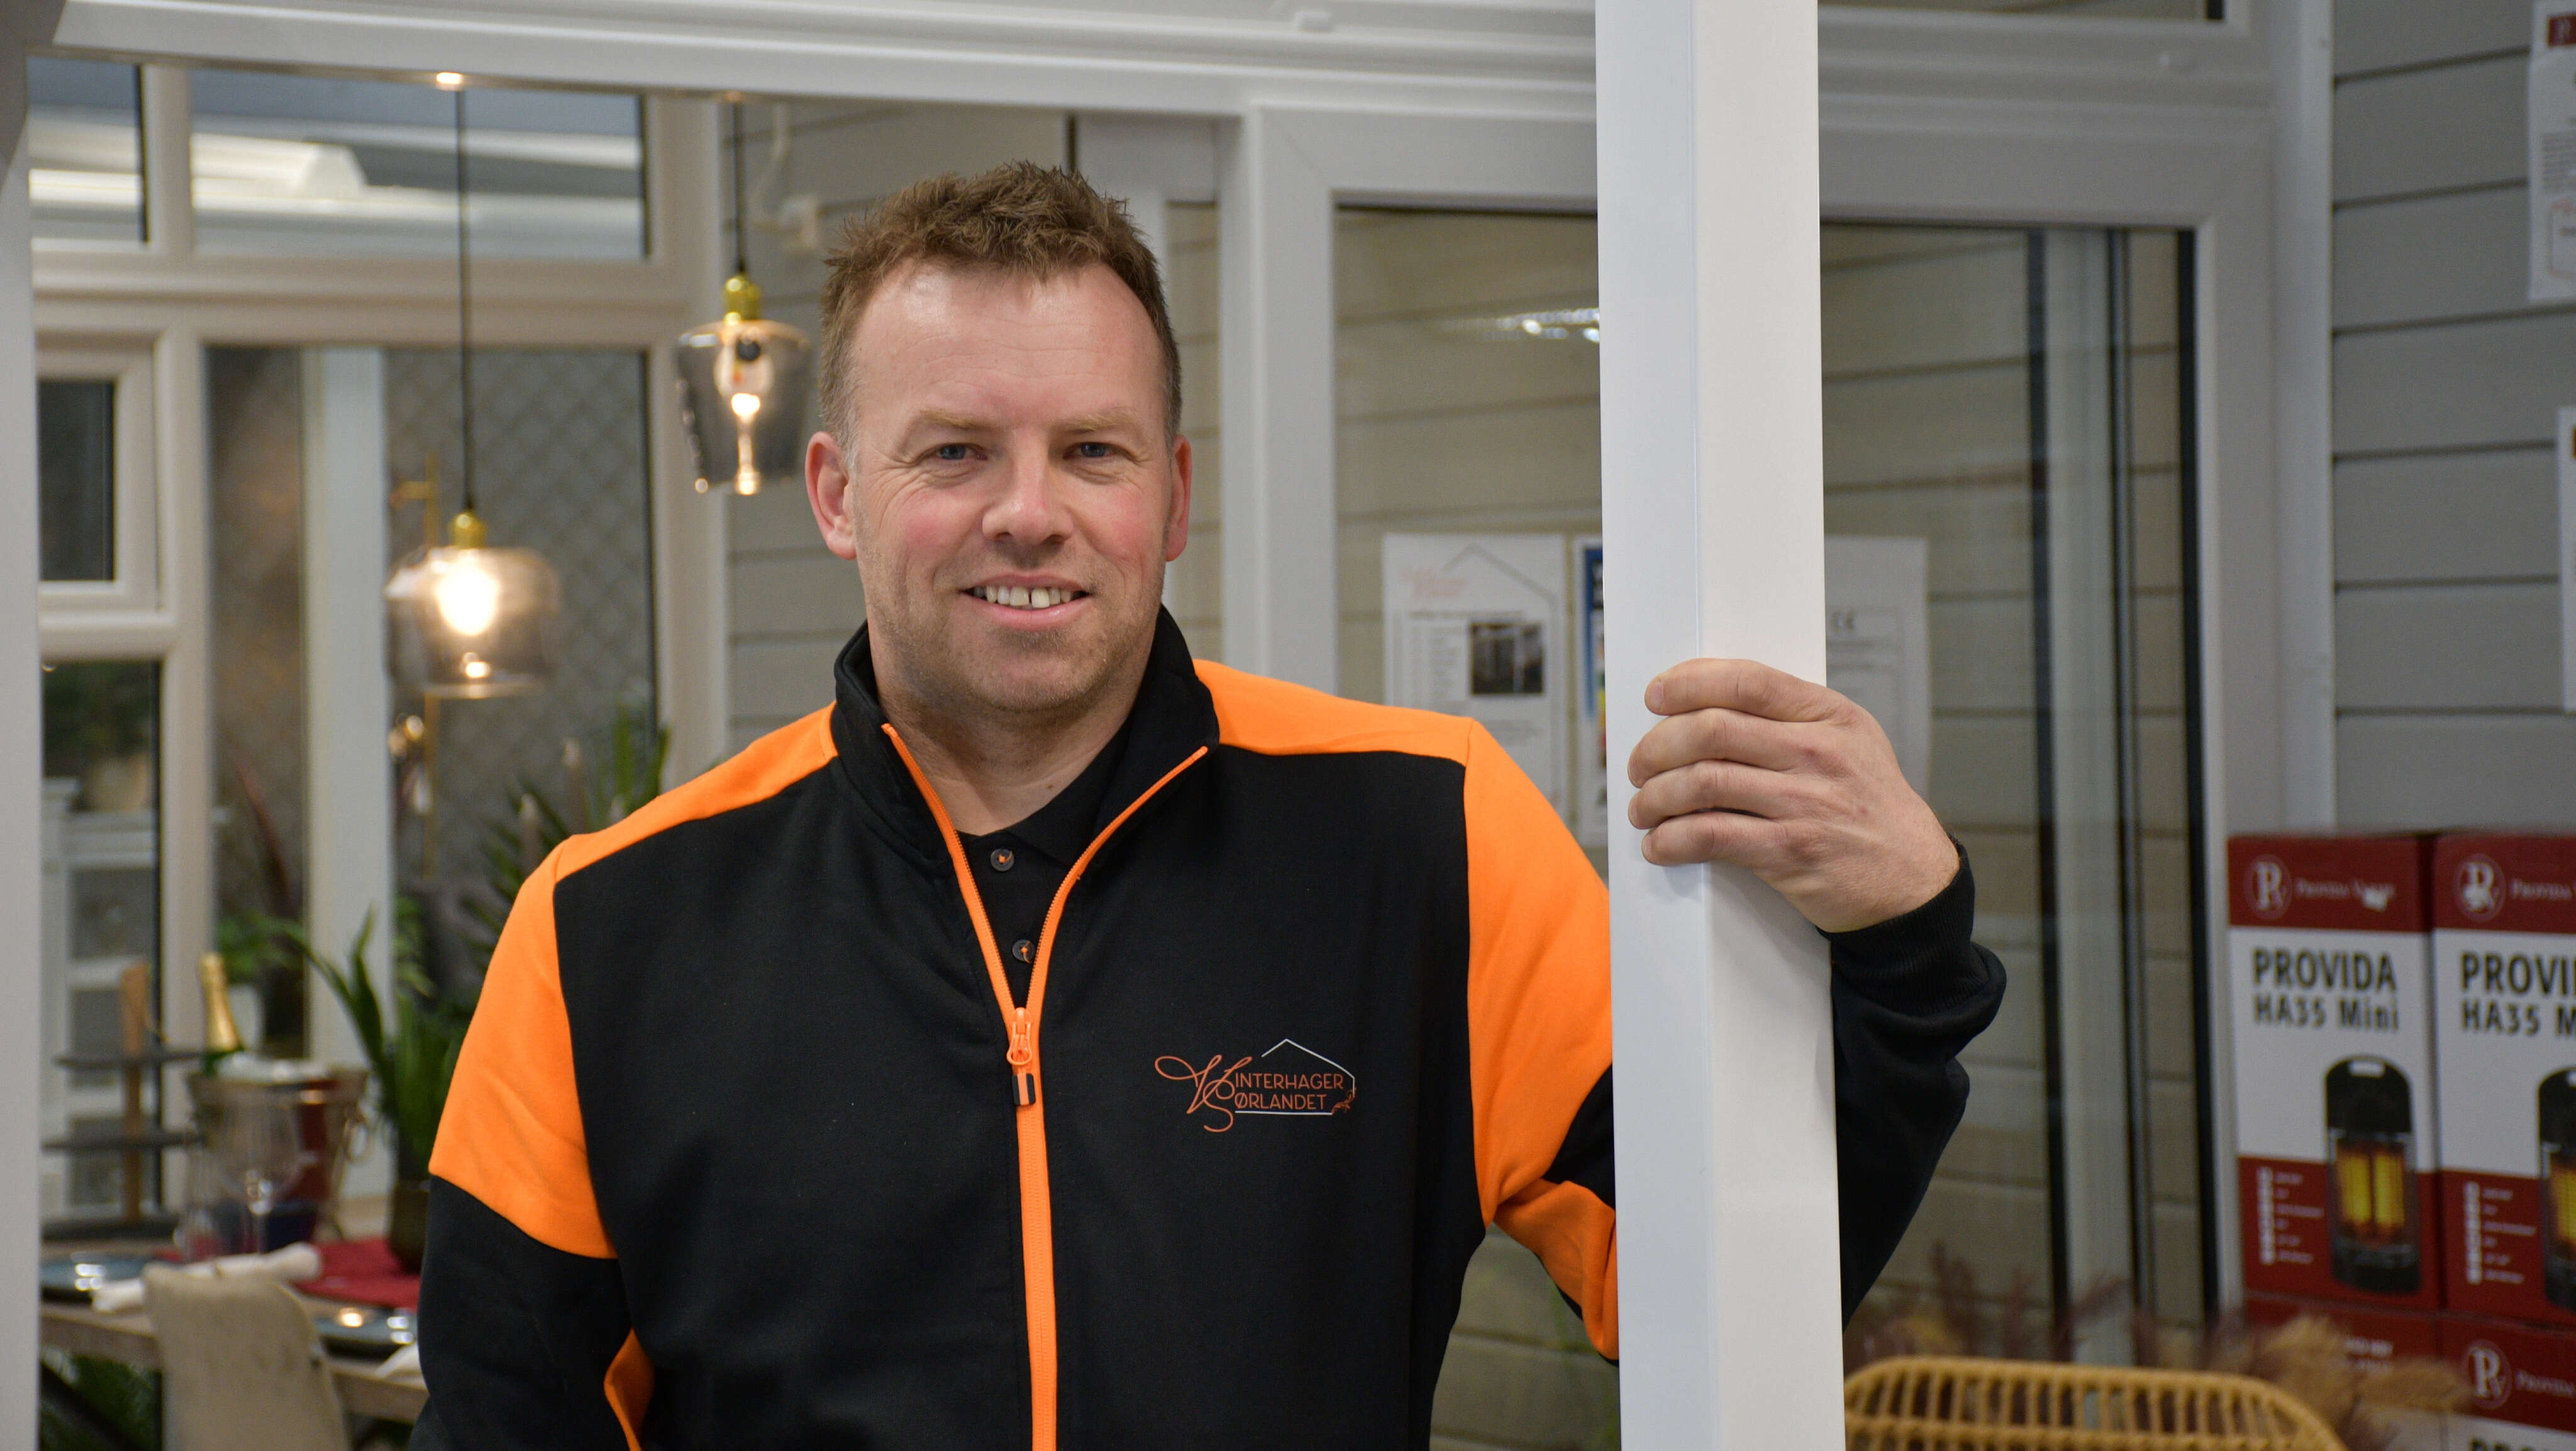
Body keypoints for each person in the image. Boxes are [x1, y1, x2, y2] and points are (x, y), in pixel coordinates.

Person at [413, 163, 2003, 1451]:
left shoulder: (1424, 836)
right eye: (953, 450)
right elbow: (506, 1424)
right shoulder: (609, 927)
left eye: (1088, 450)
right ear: (838, 492)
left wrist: (1907, 941)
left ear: (1171, 496)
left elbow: (1717, 1273)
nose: (1027, 511)